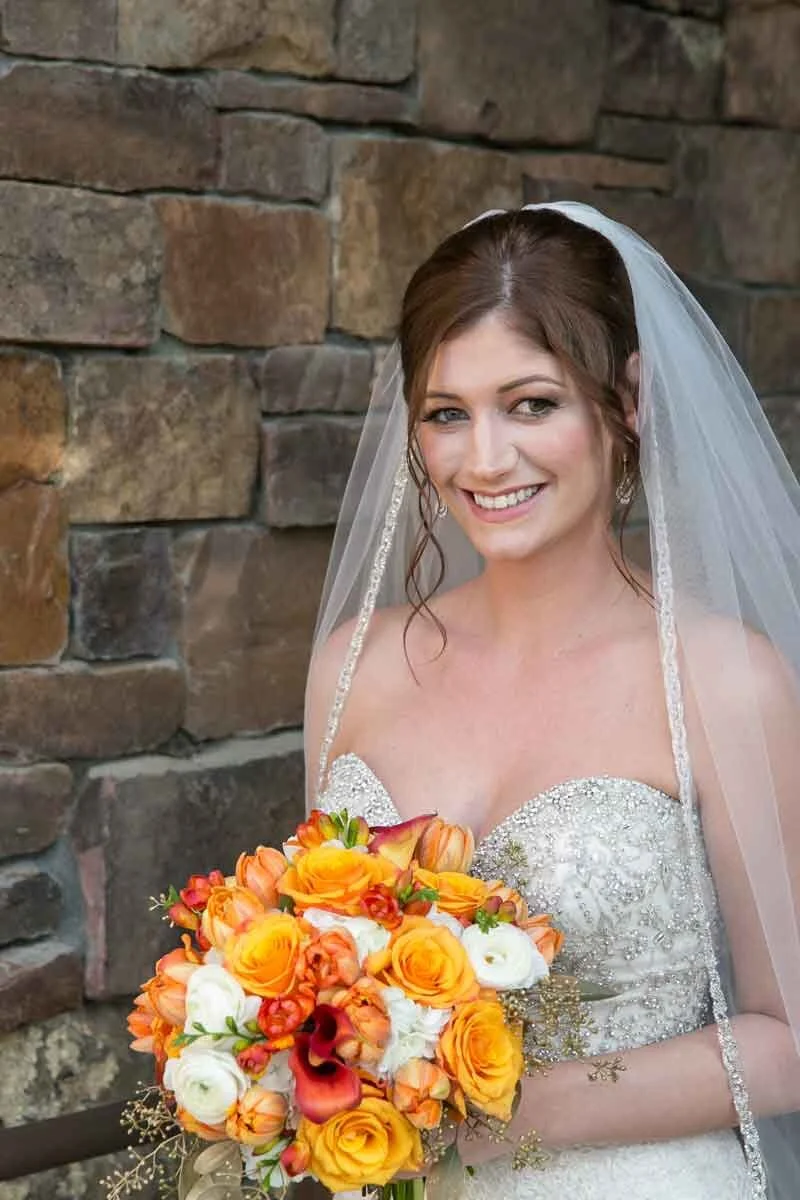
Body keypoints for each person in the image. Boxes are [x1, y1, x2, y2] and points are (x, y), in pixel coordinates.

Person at [303, 204, 800, 1198]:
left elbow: (787, 1040)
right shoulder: (353, 664)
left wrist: (481, 1109)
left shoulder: (723, 681)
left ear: (629, 399)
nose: (484, 460)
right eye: (447, 414)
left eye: (530, 404)